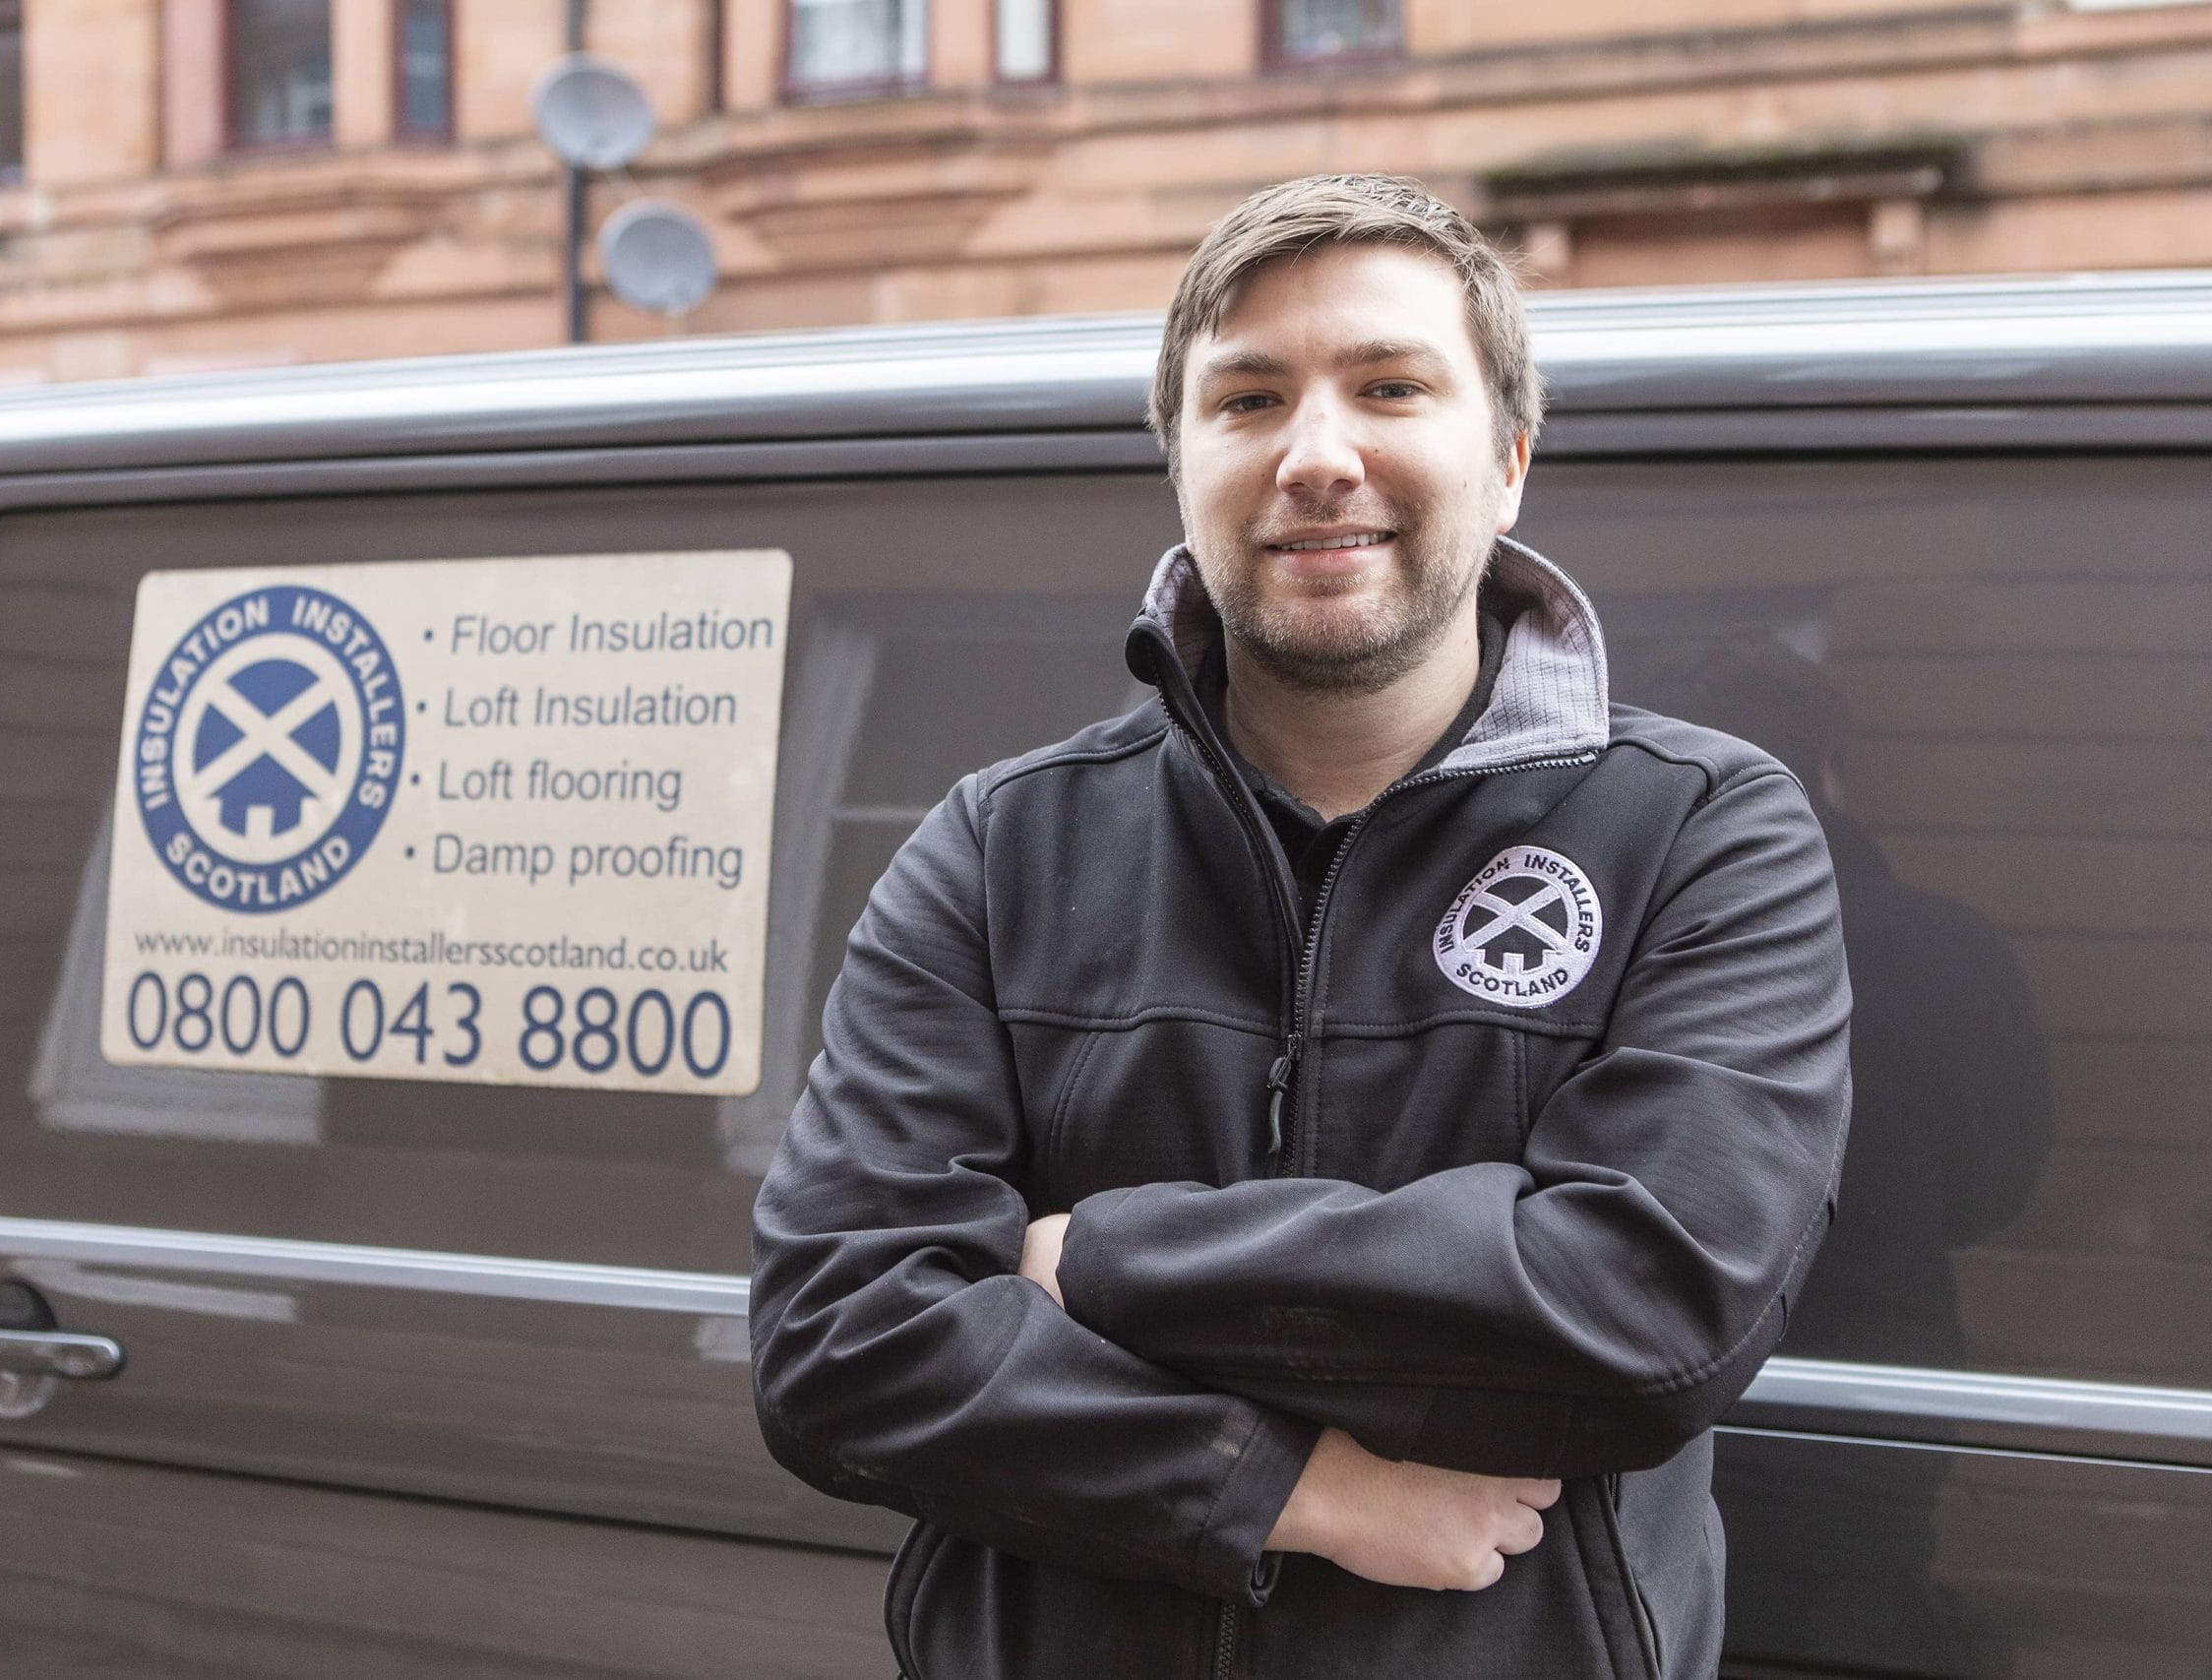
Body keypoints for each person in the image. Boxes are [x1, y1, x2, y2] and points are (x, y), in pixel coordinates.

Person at [749, 173, 1853, 1679]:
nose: (1317, 455)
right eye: (1249, 399)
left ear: (1508, 461)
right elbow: (838, 1347)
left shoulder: (1697, 829)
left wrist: (1095, 1260)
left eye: (1390, 387)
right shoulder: (1001, 847)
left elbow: (1650, 1309)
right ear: (1183, 466)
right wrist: (1289, 1490)